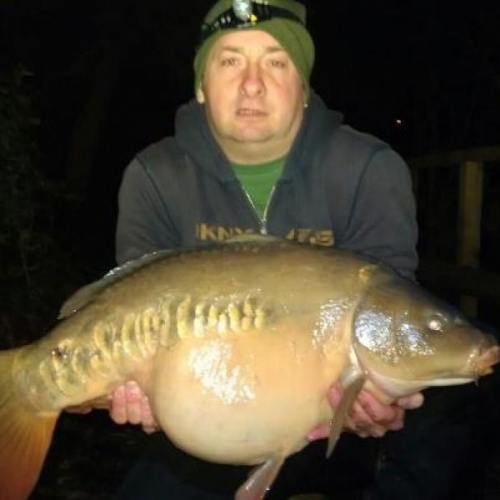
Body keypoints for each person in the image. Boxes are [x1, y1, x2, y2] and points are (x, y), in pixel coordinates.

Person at [107, 0, 475, 498]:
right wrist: (139, 390)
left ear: (303, 86)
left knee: (451, 417)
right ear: (200, 86)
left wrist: (376, 404)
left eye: (276, 61)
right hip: (208, 422)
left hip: (336, 427)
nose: (252, 83)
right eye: (230, 60)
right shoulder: (154, 177)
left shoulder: (367, 168)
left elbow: (391, 311)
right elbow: (126, 317)